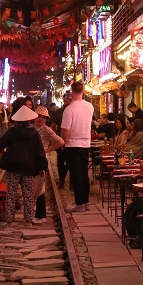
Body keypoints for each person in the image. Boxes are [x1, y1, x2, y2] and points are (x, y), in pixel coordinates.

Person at [0, 105, 47, 223]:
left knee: (11, 194)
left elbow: (0, 144)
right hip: (29, 168)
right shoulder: (34, 133)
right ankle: (28, 221)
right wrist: (42, 167)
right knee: (28, 195)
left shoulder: (12, 132)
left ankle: (9, 220)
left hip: (13, 167)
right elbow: (40, 152)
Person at [61, 81, 94, 211]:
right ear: (83, 91)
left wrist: (63, 143)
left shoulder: (69, 109)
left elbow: (65, 130)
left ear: (72, 91)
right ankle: (85, 202)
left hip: (72, 144)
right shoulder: (89, 106)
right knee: (84, 173)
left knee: (76, 175)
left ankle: (79, 203)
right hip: (85, 143)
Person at [33, 105, 64, 222]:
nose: (41, 119)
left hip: (40, 160)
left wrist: (46, 150)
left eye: (44, 118)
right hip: (30, 160)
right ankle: (31, 212)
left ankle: (41, 215)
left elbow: (60, 141)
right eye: (39, 116)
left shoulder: (46, 130)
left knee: (40, 186)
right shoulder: (30, 127)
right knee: (30, 185)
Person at [51, 94, 71, 190]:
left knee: (70, 161)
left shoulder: (74, 110)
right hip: (60, 140)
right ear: (63, 100)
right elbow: (53, 126)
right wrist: (53, 138)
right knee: (60, 161)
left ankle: (71, 182)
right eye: (66, 99)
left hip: (72, 140)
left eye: (69, 99)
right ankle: (62, 181)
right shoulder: (58, 112)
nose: (68, 101)